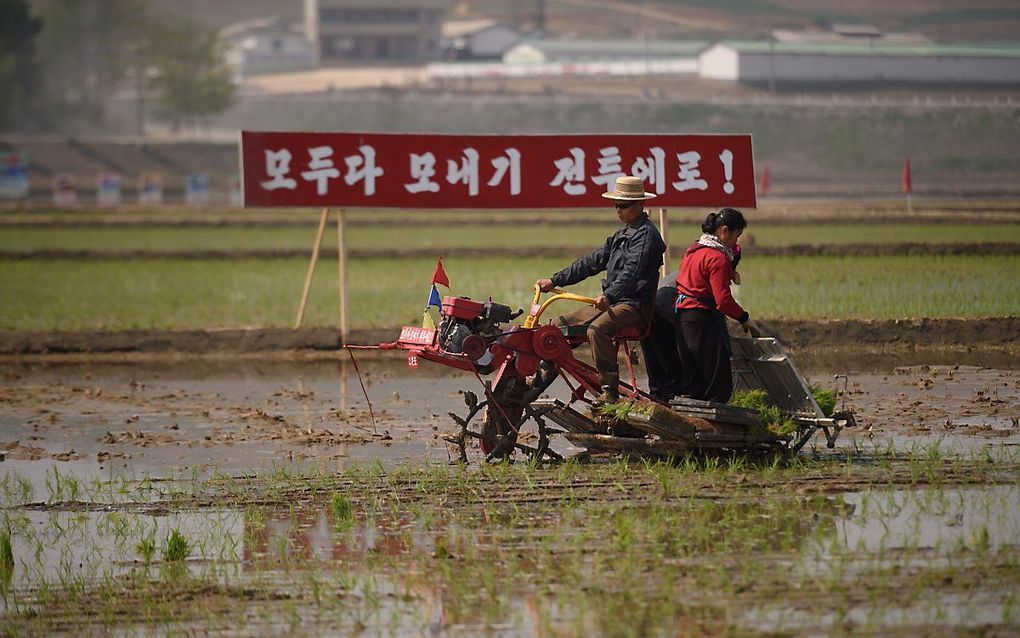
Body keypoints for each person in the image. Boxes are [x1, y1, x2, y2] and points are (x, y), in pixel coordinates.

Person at [535, 175, 666, 403]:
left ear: (640, 204)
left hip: (634, 306)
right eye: (616, 205)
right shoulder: (622, 234)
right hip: (613, 303)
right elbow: (590, 262)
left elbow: (632, 272)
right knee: (555, 328)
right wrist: (555, 281)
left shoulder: (647, 237)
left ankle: (609, 392)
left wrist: (609, 295)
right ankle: (538, 381)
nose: (618, 210)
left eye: (623, 206)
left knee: (597, 330)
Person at [674, 208, 761, 403]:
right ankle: (716, 429)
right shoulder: (717, 258)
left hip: (682, 320)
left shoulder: (693, 251)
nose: (736, 242)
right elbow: (723, 301)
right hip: (702, 321)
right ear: (724, 231)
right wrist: (745, 318)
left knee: (694, 383)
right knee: (718, 386)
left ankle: (691, 424)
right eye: (736, 236)